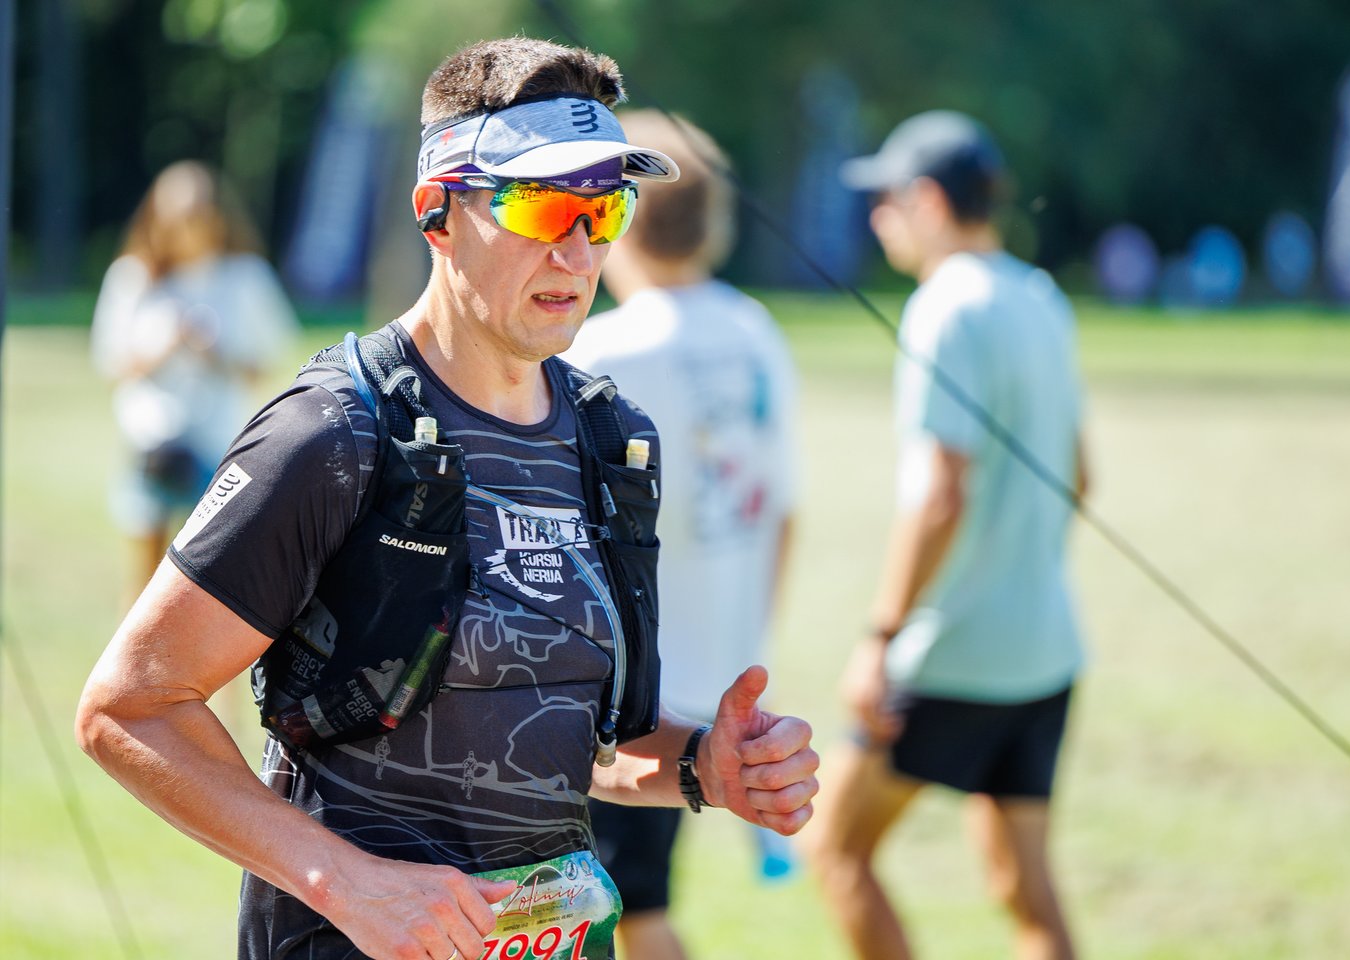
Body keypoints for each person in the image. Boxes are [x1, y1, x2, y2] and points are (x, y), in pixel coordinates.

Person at [75, 37, 818, 960]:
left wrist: (706, 765)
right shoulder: (333, 432)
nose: (577, 250)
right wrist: (346, 882)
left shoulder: (613, 439)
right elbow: (130, 707)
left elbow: (575, 738)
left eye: (604, 209)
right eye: (542, 205)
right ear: (437, 212)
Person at [808, 111, 1088, 960]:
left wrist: (880, 638)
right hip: (1045, 650)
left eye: (887, 200)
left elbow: (939, 497)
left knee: (836, 851)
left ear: (928, 202)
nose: (877, 218)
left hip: (951, 657)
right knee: (1023, 890)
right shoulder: (1040, 296)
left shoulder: (943, 308)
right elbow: (1081, 476)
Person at [562, 111, 800, 960]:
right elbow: (785, 511)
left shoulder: (602, 347)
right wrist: (748, 636)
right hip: (720, 676)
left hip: (634, 698)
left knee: (633, 914)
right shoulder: (755, 330)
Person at [90, 160, 299, 601]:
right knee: (145, 578)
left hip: (220, 443)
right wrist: (163, 347)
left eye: (197, 215)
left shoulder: (245, 277)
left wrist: (214, 351)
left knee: (209, 578)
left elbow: (266, 362)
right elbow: (111, 363)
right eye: (177, 217)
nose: (187, 227)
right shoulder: (134, 277)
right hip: (151, 440)